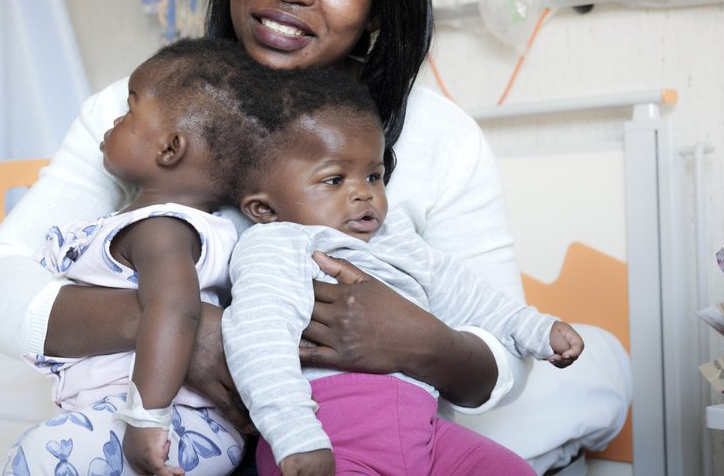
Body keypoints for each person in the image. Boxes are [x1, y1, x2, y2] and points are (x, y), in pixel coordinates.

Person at [0, 0, 629, 474]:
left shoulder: (441, 139)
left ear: (376, 10)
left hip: (360, 430)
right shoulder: (147, 110)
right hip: (181, 434)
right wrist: (176, 327)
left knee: (574, 386)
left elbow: (503, 355)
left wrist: (424, 342)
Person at [221, 66, 583, 476]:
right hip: (330, 438)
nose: (364, 192)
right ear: (263, 209)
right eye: (335, 179)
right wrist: (295, 435)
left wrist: (537, 329)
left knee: (510, 470)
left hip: (423, 433)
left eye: (374, 175)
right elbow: (256, 340)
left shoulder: (400, 244)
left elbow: (475, 300)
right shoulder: (278, 244)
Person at [3, 39, 255, 476]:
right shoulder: (169, 224)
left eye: (131, 109)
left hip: (176, 423)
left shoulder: (161, 228)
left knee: (39, 456)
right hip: (167, 420)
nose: (117, 119)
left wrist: (147, 419)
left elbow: (176, 310)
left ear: (170, 149)